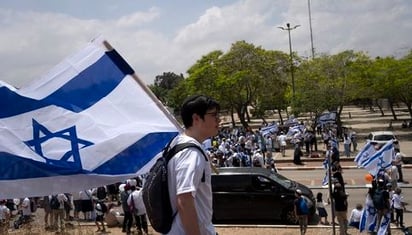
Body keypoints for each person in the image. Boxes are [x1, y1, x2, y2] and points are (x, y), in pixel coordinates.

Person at [166, 95, 220, 235]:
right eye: (213, 115)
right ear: (196, 118)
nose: (218, 120)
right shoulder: (191, 153)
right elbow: (184, 199)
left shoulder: (178, 144)